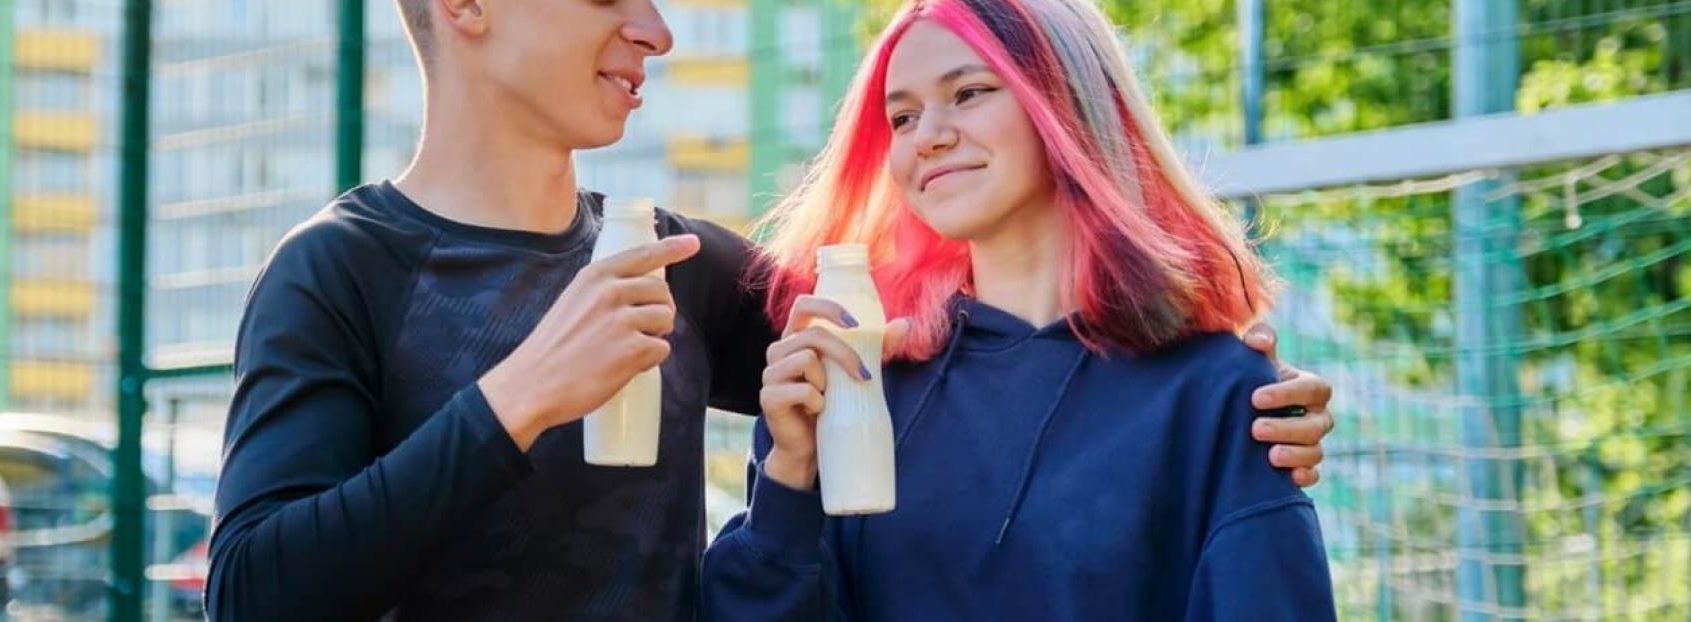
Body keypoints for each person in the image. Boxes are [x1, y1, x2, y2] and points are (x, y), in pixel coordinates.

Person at [205, 0, 1339, 619]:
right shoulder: (339, 271)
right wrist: (523, 396)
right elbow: (255, 592)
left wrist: (1218, 366)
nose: (655, 28)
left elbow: (959, 340)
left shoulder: (684, 266)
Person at [701, 0, 1338, 619]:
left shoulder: (1224, 394)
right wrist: (788, 479)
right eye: (901, 117)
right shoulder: (856, 384)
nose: (929, 136)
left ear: (1064, 103)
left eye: (969, 92)